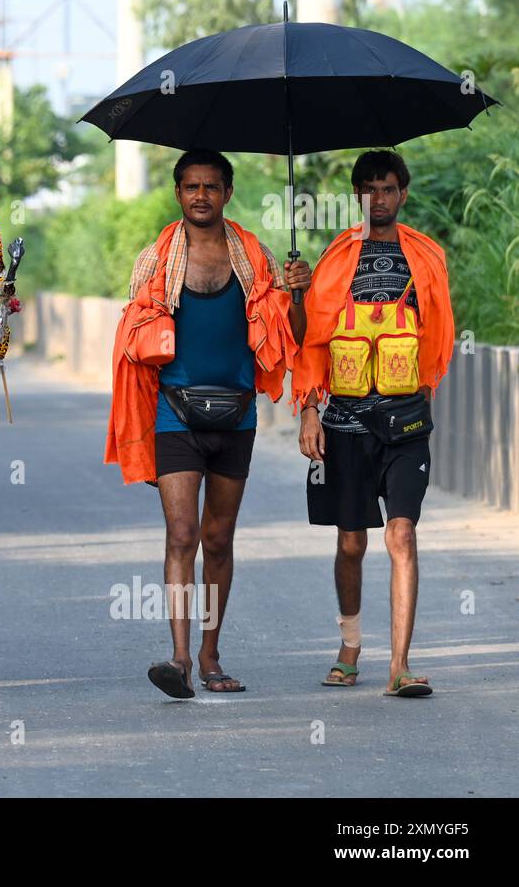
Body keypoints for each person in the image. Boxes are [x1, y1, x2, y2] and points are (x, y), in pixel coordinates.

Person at [106, 149, 311, 699]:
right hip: (174, 412)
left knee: (219, 539)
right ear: (178, 194)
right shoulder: (156, 260)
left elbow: (294, 334)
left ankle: (211, 655)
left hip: (238, 414)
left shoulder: (256, 257)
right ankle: (178, 659)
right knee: (182, 534)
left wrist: (299, 291)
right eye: (191, 186)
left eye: (212, 186)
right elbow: (132, 344)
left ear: (228, 193)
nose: (201, 195)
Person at [296, 150, 454, 697]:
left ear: (402, 194)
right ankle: (350, 644)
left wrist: (423, 392)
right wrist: (309, 409)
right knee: (349, 543)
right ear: (356, 196)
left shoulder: (426, 257)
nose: (378, 199)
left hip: (407, 423)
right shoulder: (336, 256)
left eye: (387, 188)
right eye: (367, 189)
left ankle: (400, 666)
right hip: (344, 423)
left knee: (402, 534)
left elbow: (439, 333)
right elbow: (310, 337)